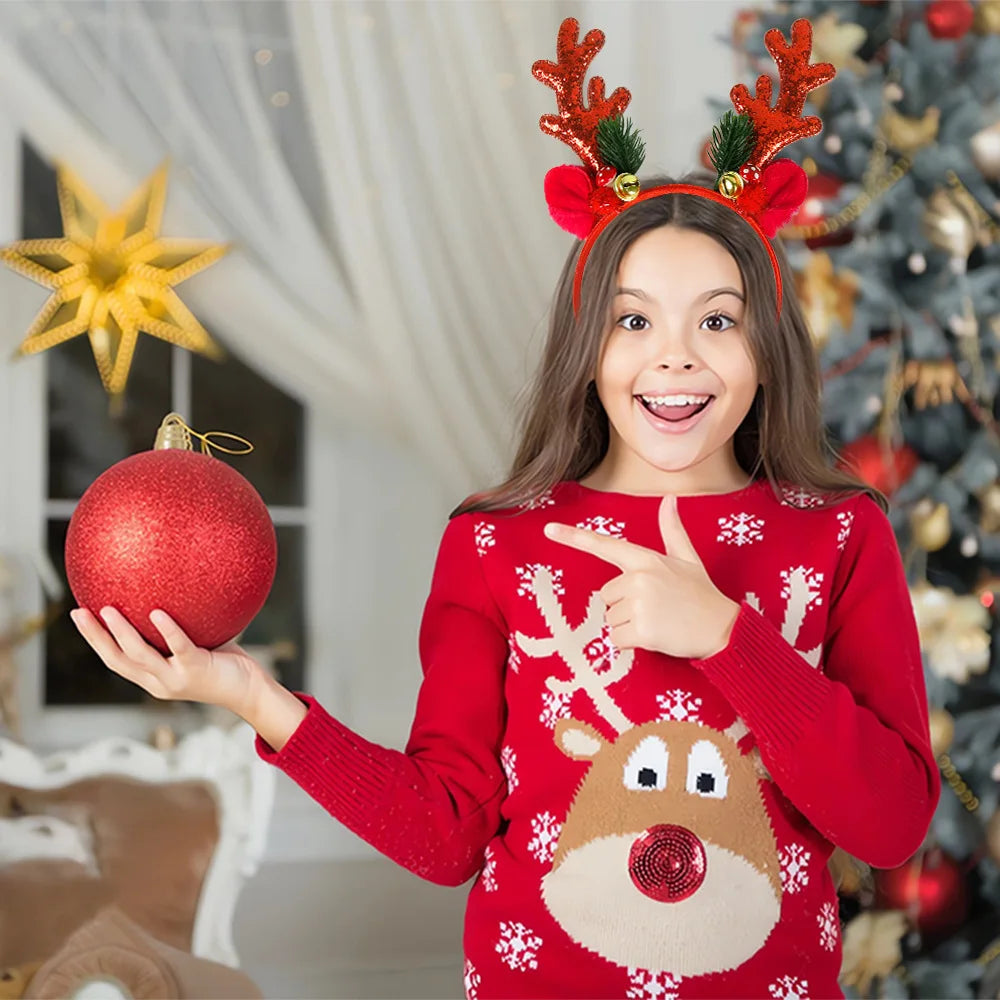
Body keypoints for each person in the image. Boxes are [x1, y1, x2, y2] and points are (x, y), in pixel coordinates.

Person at [70, 16, 939, 1000]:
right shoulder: (496, 541)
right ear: (588, 347)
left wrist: (726, 638)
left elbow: (891, 824)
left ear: (766, 350)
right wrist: (249, 696)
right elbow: (446, 836)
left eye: (718, 320)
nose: (675, 355)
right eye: (633, 319)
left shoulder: (836, 534)